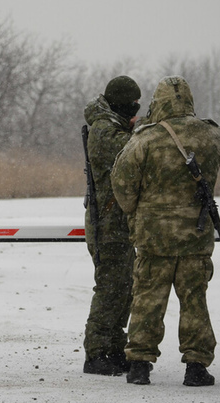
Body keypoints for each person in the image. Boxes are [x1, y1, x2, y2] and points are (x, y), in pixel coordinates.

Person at [110, 75, 220, 386]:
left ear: (158, 101)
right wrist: (205, 128)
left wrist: (137, 211)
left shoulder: (145, 139)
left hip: (154, 236)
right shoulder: (210, 136)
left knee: (147, 299)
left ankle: (139, 364)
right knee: (195, 300)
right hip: (195, 236)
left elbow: (123, 185)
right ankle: (196, 366)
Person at [82, 75, 141, 376]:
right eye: (133, 106)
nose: (135, 111)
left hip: (118, 223)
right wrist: (146, 130)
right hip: (106, 223)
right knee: (109, 289)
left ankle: (115, 348)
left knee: (124, 289)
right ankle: (96, 353)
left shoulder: (112, 125)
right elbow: (132, 151)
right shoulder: (105, 130)